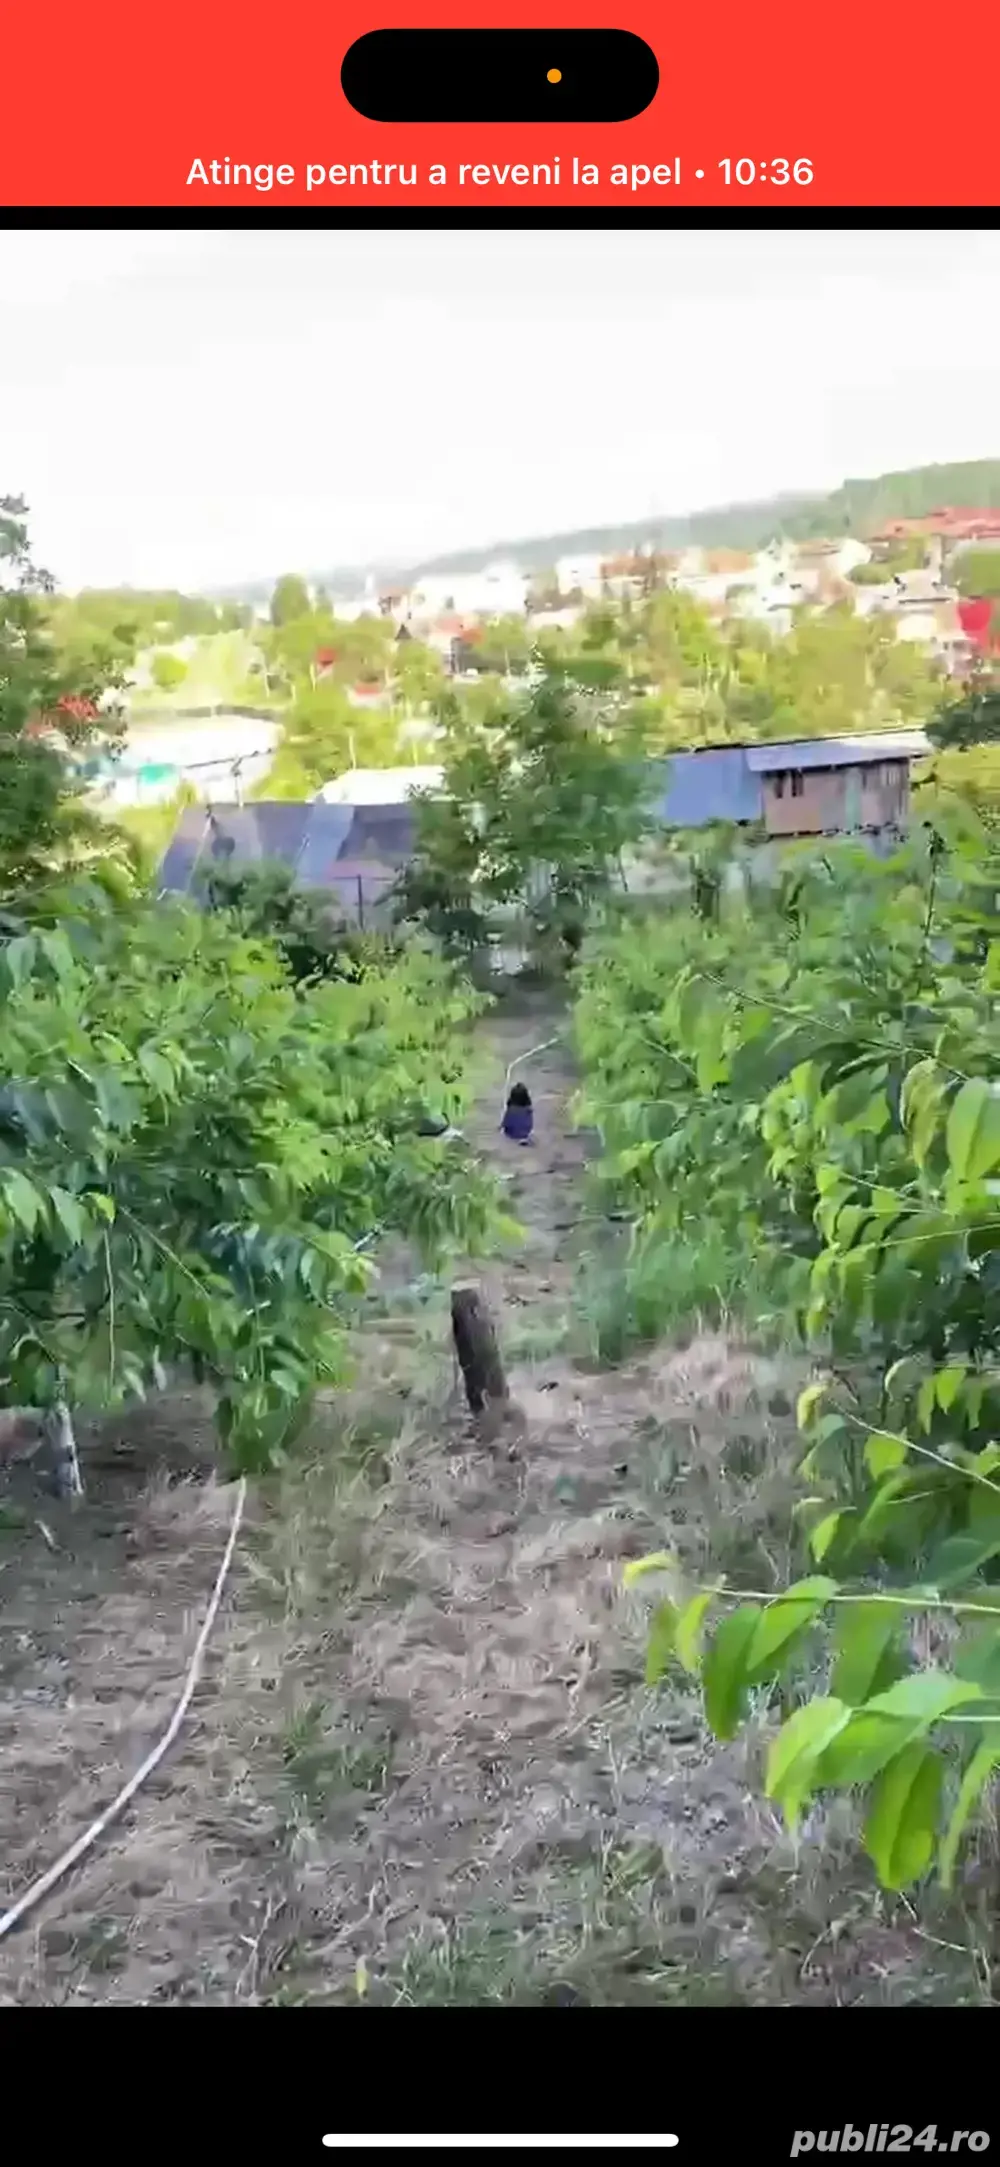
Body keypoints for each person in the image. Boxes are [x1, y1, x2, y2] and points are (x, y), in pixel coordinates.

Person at [501, 1080, 533, 1144]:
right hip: (524, 1133)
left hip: (511, 1133)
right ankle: (523, 1137)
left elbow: (505, 1123)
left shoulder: (510, 1109)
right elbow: (530, 1125)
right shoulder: (528, 1110)